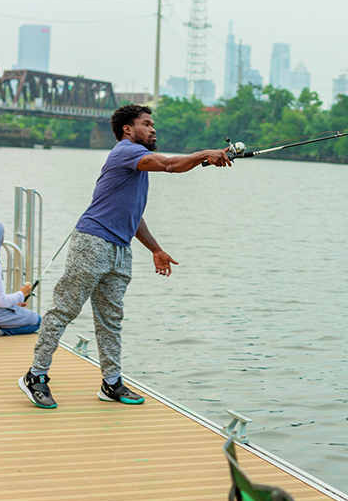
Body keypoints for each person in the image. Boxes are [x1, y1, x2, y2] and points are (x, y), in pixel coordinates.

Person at [18, 104, 231, 409]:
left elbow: (133, 216)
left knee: (111, 320)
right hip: (91, 243)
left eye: (153, 124)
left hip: (120, 250)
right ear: (128, 129)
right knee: (64, 310)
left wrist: (156, 249)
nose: (153, 129)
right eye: (147, 123)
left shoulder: (137, 164)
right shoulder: (126, 151)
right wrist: (204, 154)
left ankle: (111, 383)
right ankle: (36, 375)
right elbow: (171, 165)